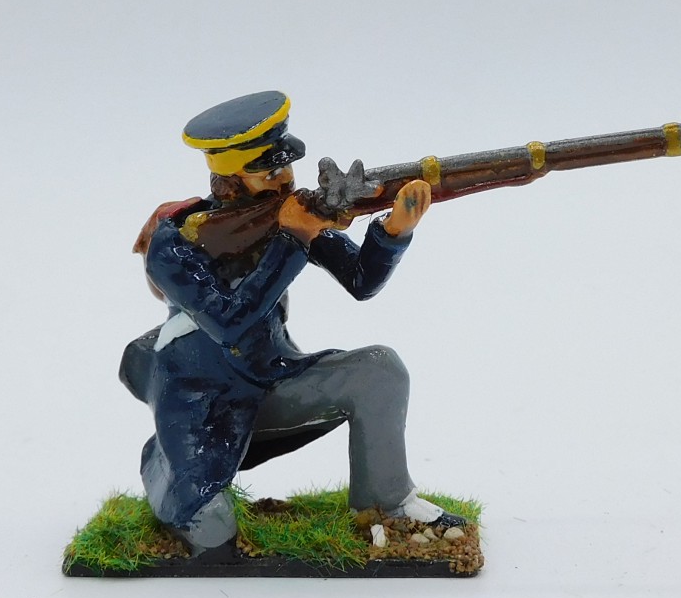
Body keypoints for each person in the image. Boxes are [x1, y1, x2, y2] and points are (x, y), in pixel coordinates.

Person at [120, 90, 463, 560]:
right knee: (211, 534)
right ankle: (168, 461)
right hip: (204, 404)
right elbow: (230, 322)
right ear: (230, 177)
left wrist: (393, 231)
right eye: (267, 172)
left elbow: (361, 281)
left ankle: (386, 503)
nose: (283, 180)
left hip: (271, 379)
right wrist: (293, 236)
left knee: (380, 370)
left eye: (285, 168)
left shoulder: (285, 216)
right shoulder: (177, 241)